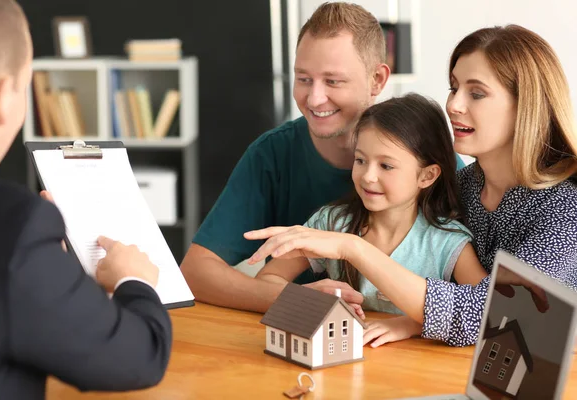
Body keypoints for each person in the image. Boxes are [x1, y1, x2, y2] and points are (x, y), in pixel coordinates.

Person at [244, 24, 577, 347]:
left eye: (476, 93)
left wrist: (353, 248)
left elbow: (499, 317)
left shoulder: (564, 209)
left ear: (526, 107)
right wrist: (412, 322)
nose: (454, 105)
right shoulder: (460, 186)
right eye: (454, 87)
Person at [180, 2, 466, 313]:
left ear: (377, 80)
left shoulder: (433, 160)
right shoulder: (272, 155)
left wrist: (413, 321)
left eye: (333, 81)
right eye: (303, 78)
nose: (314, 98)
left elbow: (480, 300)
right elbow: (196, 272)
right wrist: (299, 301)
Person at [0, 1, 172, 399]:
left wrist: (47, 268)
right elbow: (141, 357)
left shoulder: (18, 235)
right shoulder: (10, 229)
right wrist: (134, 280)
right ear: (4, 95)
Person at [252, 93, 486, 346]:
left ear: (427, 176)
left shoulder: (447, 241)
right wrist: (306, 298)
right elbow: (267, 279)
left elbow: (488, 312)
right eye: (361, 160)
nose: (368, 177)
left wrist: (412, 324)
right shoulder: (332, 223)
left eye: (386, 166)